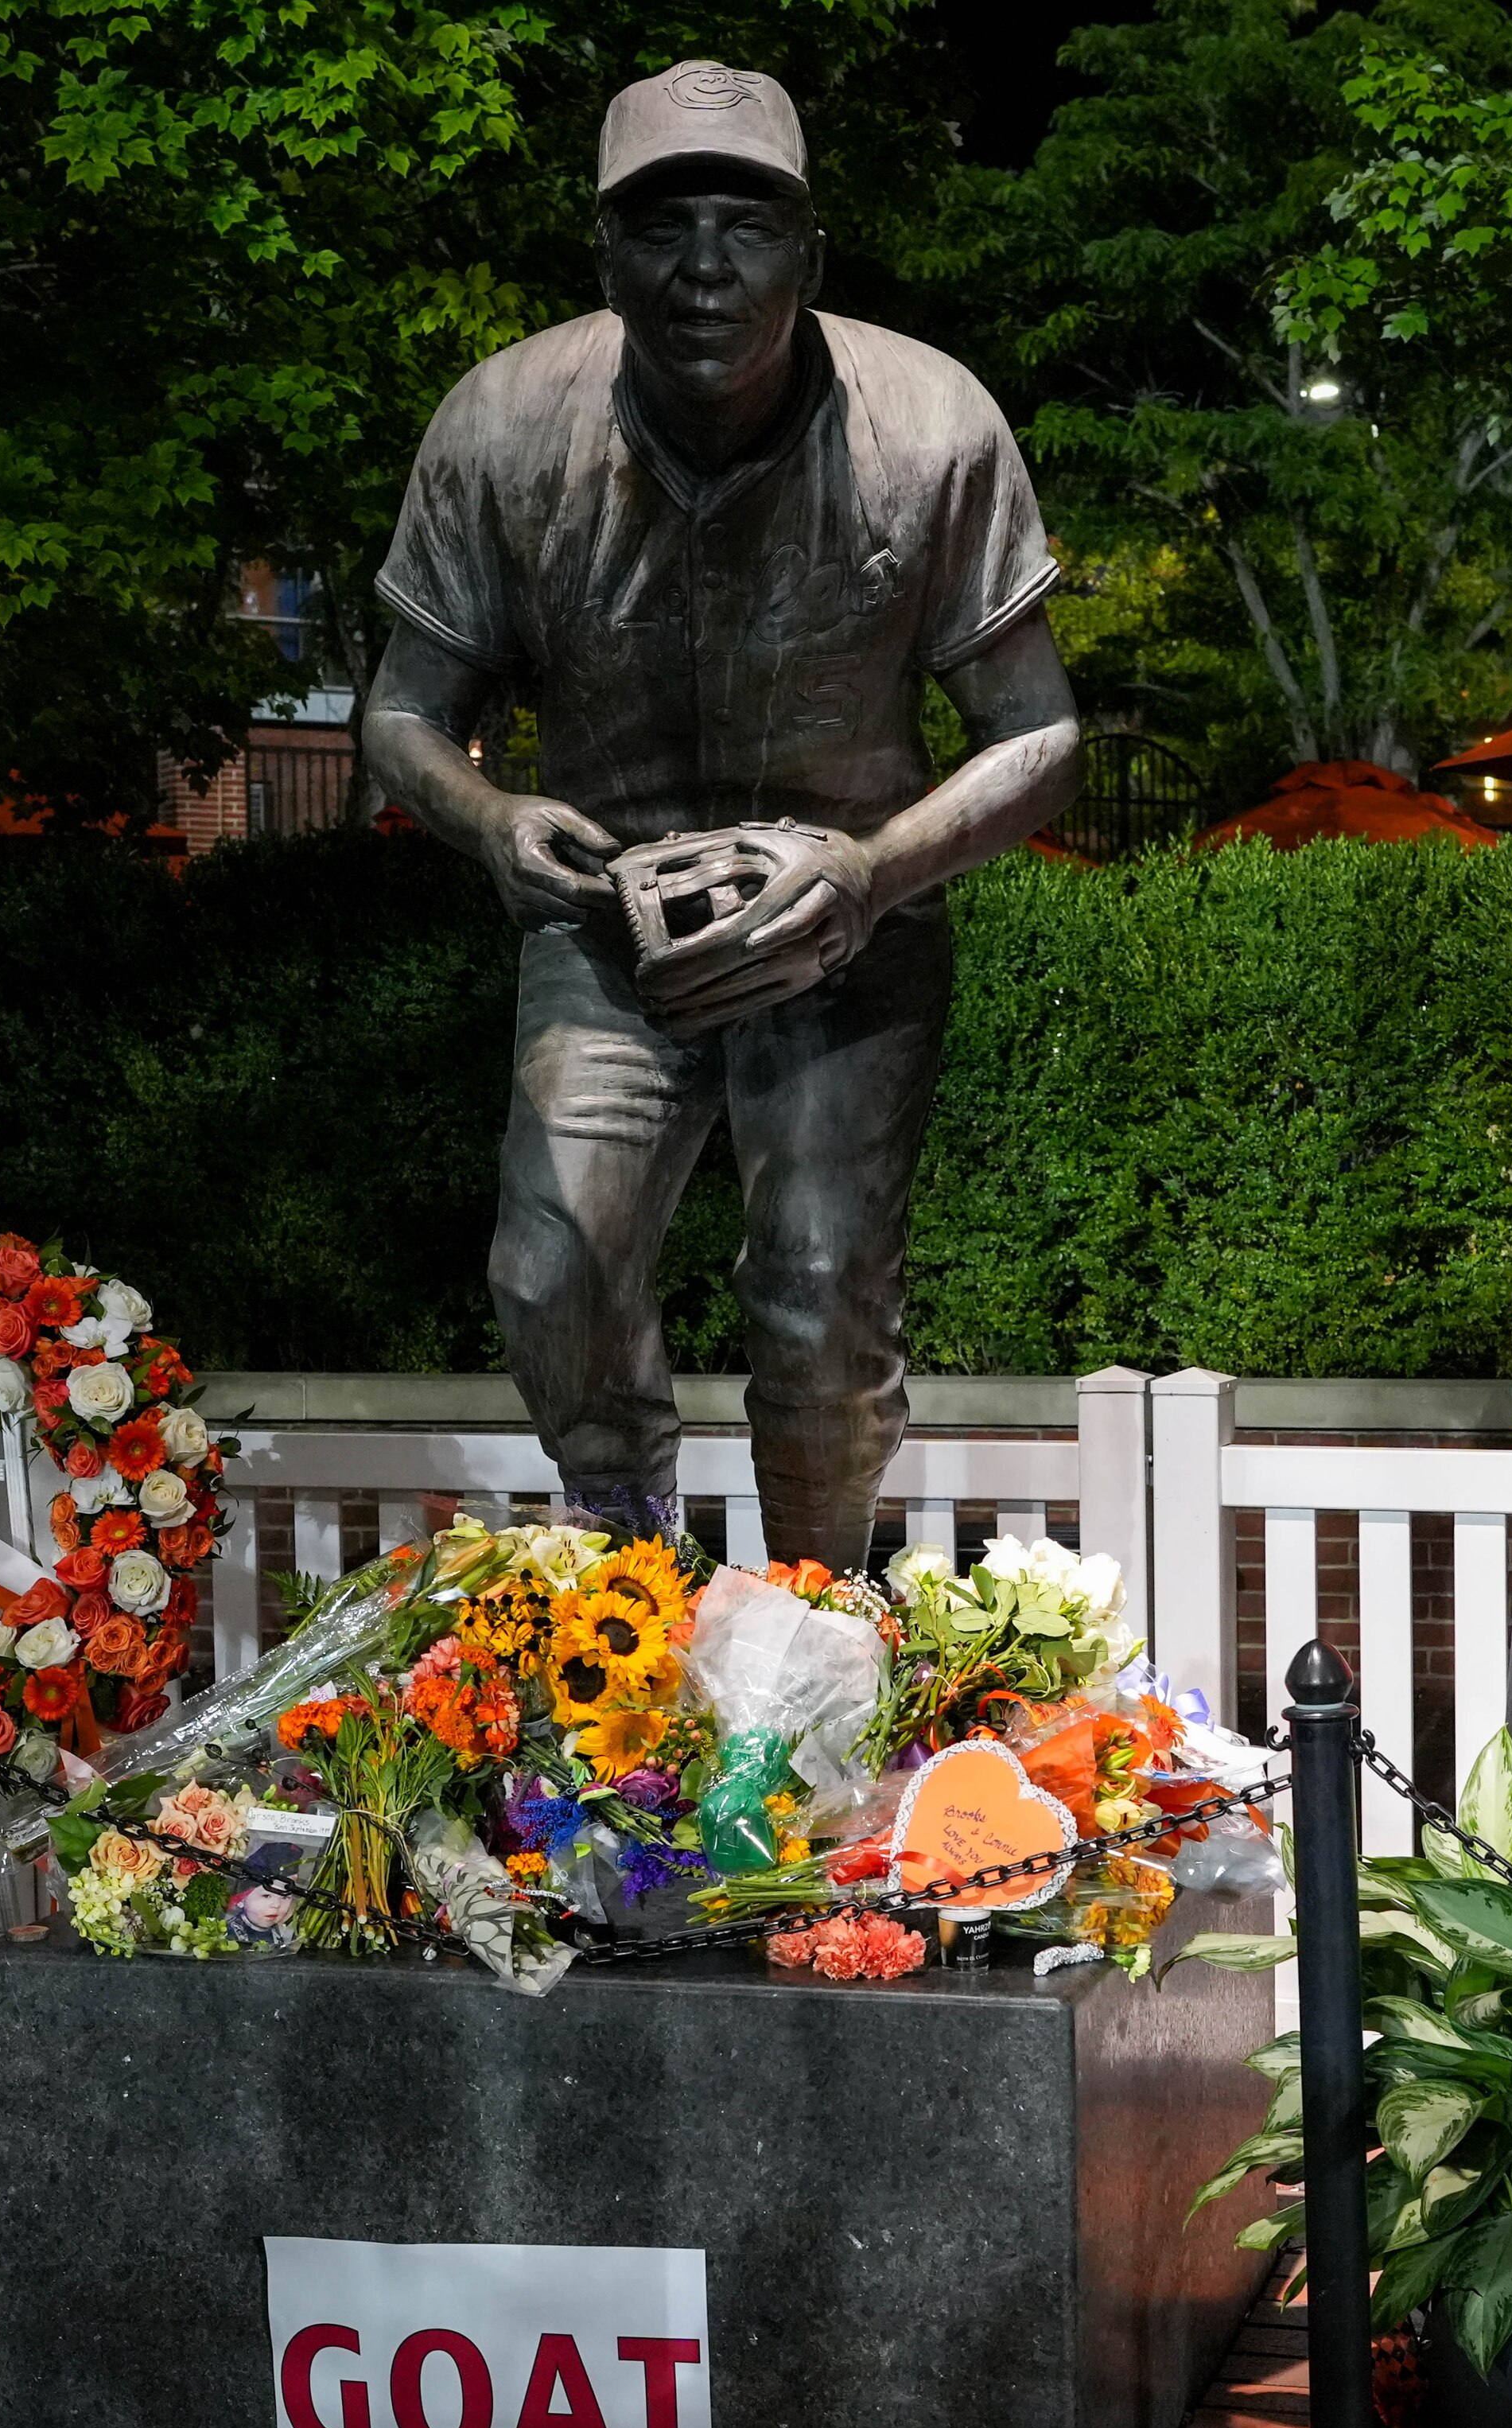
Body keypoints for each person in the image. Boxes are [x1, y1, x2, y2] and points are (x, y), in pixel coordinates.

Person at [363, 59, 1082, 1566]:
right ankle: (624, 1581)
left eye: (746, 225)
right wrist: (491, 821)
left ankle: (814, 1632)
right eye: (662, 223)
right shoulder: (504, 425)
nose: (704, 266)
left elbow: (1041, 736)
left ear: (809, 252)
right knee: (551, 1263)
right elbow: (403, 712)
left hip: (850, 928)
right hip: (606, 928)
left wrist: (877, 869)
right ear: (603, 250)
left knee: (820, 1293)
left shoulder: (929, 422)